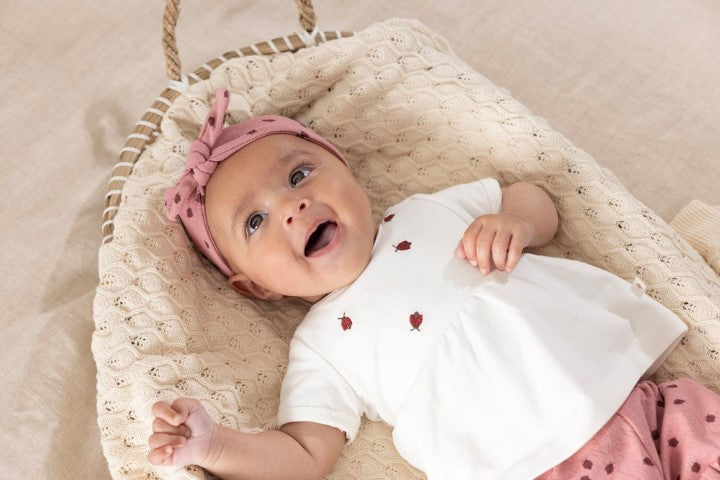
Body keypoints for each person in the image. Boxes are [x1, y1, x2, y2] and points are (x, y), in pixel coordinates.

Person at [149, 88, 720, 479]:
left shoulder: (425, 211)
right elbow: (302, 455)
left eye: (300, 174)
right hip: (535, 466)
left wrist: (515, 223)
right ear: (256, 289)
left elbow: (532, 200)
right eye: (255, 222)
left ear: (347, 171)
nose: (293, 206)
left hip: (634, 396)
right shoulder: (321, 349)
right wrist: (214, 445)